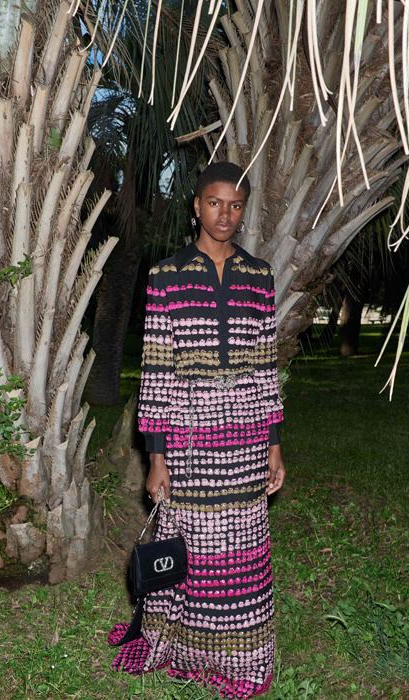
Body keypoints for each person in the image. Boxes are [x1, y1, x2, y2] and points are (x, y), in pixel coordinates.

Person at [109, 162, 285, 698]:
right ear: (196, 206)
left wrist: (275, 445)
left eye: (235, 205)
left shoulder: (260, 276)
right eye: (214, 202)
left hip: (247, 438)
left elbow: (266, 367)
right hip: (189, 439)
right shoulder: (166, 275)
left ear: (243, 210)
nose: (224, 214)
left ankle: (245, 659)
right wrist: (156, 457)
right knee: (194, 550)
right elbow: (157, 372)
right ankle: (188, 649)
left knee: (243, 554)